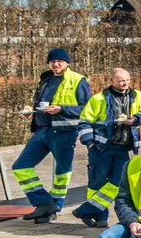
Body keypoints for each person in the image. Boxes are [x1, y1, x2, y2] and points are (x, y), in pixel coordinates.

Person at [12, 47, 91, 223]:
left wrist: (61, 109)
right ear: (48, 63)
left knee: (62, 172)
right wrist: (31, 111)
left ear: (67, 63)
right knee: (20, 166)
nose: (56, 64)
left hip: (63, 132)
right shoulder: (45, 78)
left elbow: (87, 108)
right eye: (53, 61)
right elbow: (40, 103)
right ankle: (44, 202)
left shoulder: (78, 80)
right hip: (42, 130)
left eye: (60, 61)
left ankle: (52, 209)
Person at [71, 68, 141, 228]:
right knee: (97, 181)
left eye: (128, 80)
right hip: (101, 147)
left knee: (119, 182)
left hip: (123, 146)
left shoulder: (137, 96)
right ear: (112, 81)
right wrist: (90, 143)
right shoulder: (99, 98)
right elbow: (84, 121)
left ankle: (86, 210)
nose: (125, 83)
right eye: (122, 80)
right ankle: (101, 217)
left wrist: (136, 119)